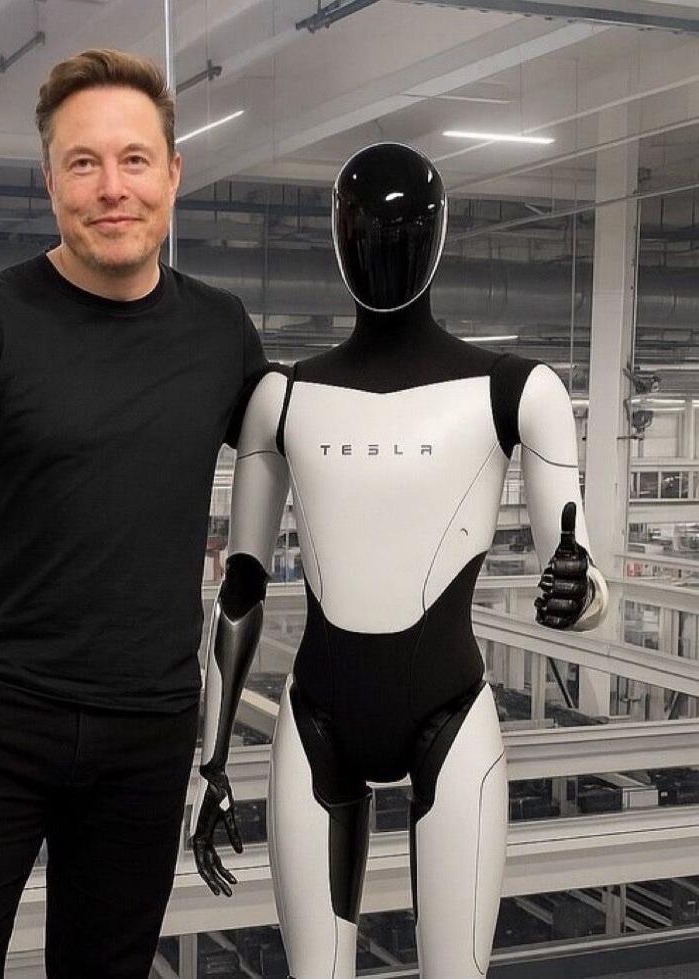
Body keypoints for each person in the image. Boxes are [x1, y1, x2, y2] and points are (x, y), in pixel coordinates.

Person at [0, 48, 267, 979]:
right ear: (50, 183)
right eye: (83, 163)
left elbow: (301, 454)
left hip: (146, 724)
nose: (111, 187)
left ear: (173, 174)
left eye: (134, 160)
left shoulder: (221, 331)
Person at [189, 141, 608, 978]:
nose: (382, 249)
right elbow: (240, 586)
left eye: (403, 231)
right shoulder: (279, 397)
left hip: (448, 711)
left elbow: (581, 573)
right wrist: (210, 761)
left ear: (437, 235)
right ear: (336, 236)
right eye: (364, 231)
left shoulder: (518, 392)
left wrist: (580, 592)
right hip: (317, 718)